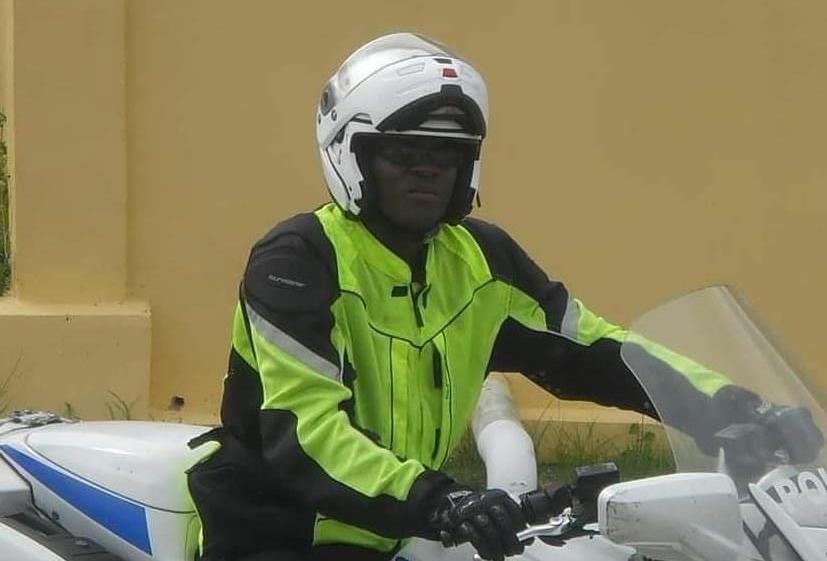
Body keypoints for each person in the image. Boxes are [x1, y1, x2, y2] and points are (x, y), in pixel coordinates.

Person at [186, 33, 822, 561]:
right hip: (278, 530)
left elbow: (596, 349)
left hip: (402, 528)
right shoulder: (298, 260)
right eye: (404, 152)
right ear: (352, 157)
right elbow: (306, 434)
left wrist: (737, 406)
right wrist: (443, 500)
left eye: (446, 156)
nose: (427, 170)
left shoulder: (480, 261)